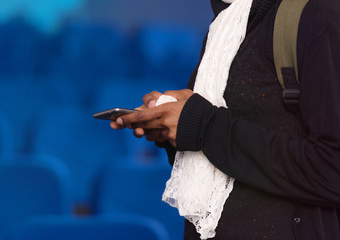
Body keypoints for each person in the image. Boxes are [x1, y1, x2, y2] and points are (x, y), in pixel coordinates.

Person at [111, 0, 340, 239]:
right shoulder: (228, 21)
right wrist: (175, 125)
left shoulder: (317, 13)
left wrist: (202, 124)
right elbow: (229, 152)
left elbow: (332, 170)